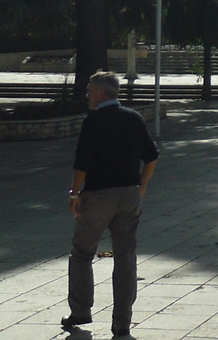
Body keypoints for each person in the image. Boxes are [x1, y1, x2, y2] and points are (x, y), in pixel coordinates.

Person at [64, 71, 159, 339]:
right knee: (125, 257)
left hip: (98, 196)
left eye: (90, 90)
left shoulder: (93, 121)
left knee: (82, 252)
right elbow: (151, 156)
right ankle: (122, 323)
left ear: (102, 93)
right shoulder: (134, 117)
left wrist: (74, 194)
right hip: (128, 195)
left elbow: (82, 163)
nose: (87, 94)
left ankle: (81, 310)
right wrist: (142, 184)